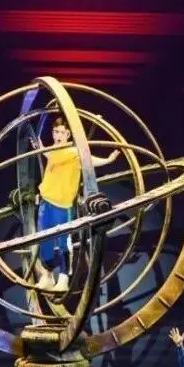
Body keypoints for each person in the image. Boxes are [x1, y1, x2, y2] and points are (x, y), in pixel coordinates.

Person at [29, 116, 120, 292]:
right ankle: (47, 276)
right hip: (46, 203)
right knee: (45, 241)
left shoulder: (74, 153)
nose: (58, 136)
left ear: (68, 135)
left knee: (63, 242)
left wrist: (108, 160)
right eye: (55, 132)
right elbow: (49, 155)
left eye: (62, 133)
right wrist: (40, 146)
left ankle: (63, 280)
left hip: (62, 206)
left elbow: (88, 160)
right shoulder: (53, 150)